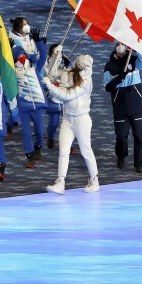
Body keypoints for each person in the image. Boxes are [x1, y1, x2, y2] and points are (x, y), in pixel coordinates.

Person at [42, 54, 100, 194]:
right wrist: (57, 58)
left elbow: (67, 95)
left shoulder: (86, 81)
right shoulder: (68, 72)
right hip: (68, 118)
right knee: (63, 151)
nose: (78, 64)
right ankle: (60, 182)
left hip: (82, 119)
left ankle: (94, 180)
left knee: (86, 150)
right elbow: (58, 79)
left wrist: (50, 85)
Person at [103, 44, 142, 172]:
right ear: (115, 47)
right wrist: (118, 78)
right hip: (120, 107)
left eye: (123, 44)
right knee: (121, 136)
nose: (121, 47)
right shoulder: (109, 66)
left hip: (137, 105)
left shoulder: (134, 60)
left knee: (140, 136)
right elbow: (107, 87)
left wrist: (136, 50)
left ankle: (140, 164)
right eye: (119, 44)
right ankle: (121, 156)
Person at [15, 53, 47, 168]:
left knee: (40, 131)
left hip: (37, 106)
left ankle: (38, 147)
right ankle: (29, 156)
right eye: (19, 56)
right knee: (26, 133)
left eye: (23, 55)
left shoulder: (34, 68)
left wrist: (39, 42)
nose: (21, 57)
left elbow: (43, 56)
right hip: (23, 107)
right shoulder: (13, 71)